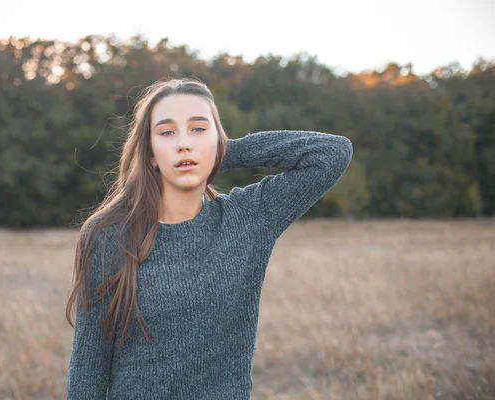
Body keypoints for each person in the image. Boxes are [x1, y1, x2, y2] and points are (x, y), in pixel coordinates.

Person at [65, 77, 353, 399]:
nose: (183, 144)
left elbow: (331, 153)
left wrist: (217, 153)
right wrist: (203, 149)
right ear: (149, 153)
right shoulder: (109, 237)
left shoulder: (248, 220)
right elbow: (89, 367)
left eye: (198, 129)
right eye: (166, 132)